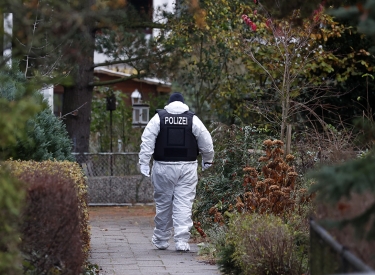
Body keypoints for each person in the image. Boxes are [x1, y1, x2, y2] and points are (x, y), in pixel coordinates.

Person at [138, 92, 214, 251]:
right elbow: (206, 142)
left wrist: (144, 163)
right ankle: (181, 241)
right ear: (184, 104)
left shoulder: (158, 118)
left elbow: (147, 141)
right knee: (184, 204)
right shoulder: (193, 119)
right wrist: (207, 160)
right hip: (187, 167)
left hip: (163, 167)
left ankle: (161, 240)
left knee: (163, 204)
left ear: (169, 104)